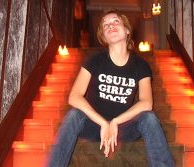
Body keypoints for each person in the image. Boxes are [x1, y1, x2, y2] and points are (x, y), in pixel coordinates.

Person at [48, 8, 175, 167]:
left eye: (116, 21)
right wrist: (103, 123)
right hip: (94, 125)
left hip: (123, 127)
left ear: (127, 30)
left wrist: (114, 122)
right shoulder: (94, 60)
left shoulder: (140, 65)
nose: (110, 26)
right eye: (105, 25)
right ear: (103, 36)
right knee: (74, 115)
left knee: (149, 118)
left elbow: (146, 103)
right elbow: (74, 96)